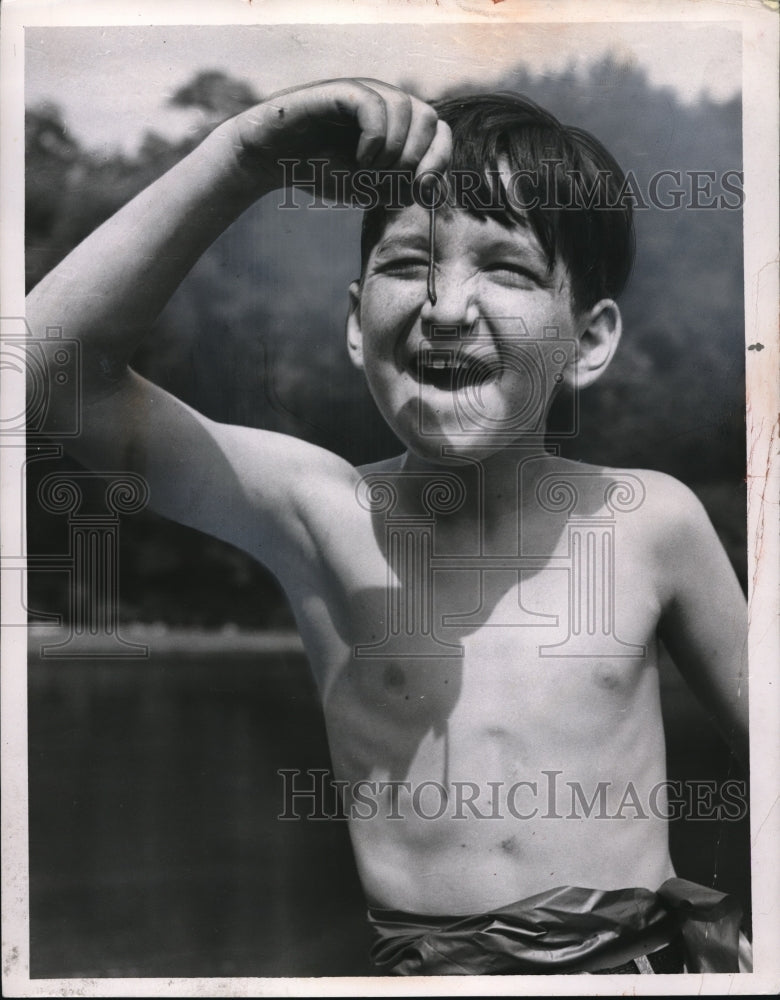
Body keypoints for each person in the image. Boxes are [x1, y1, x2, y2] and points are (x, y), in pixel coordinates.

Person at [27, 78, 749, 975]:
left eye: (509, 269)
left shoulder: (650, 519)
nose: (446, 308)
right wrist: (244, 158)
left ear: (588, 343)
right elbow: (45, 380)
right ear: (355, 323)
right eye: (409, 265)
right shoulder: (324, 516)